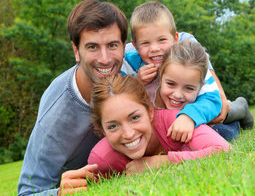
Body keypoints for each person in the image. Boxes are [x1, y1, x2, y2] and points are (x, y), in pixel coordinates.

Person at [17, 0, 128, 196]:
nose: (105, 58)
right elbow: (26, 192)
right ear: (76, 51)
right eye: (92, 47)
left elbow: (178, 42)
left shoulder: (131, 66)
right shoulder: (56, 115)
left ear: (124, 46)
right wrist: (59, 192)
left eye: (112, 45)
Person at [123, 1, 253, 142]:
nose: (154, 48)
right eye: (145, 43)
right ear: (135, 46)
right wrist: (137, 83)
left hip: (204, 111)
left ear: (175, 39)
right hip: (173, 119)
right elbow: (120, 95)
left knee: (221, 128)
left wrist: (189, 116)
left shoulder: (187, 60)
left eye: (162, 40)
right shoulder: (131, 65)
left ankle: (240, 109)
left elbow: (212, 98)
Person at [88, 74, 232, 177]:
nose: (129, 134)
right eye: (113, 126)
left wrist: (164, 161)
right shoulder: (101, 160)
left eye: (135, 118)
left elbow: (225, 151)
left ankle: (239, 108)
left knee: (227, 130)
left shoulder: (176, 122)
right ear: (102, 130)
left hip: (211, 124)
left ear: (151, 112)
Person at [154, 39, 249, 141]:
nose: (177, 95)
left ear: (201, 86)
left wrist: (189, 116)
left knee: (223, 133)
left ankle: (241, 107)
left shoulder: (207, 91)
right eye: (171, 84)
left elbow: (212, 102)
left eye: (189, 88)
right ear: (160, 77)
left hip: (217, 114)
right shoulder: (150, 88)